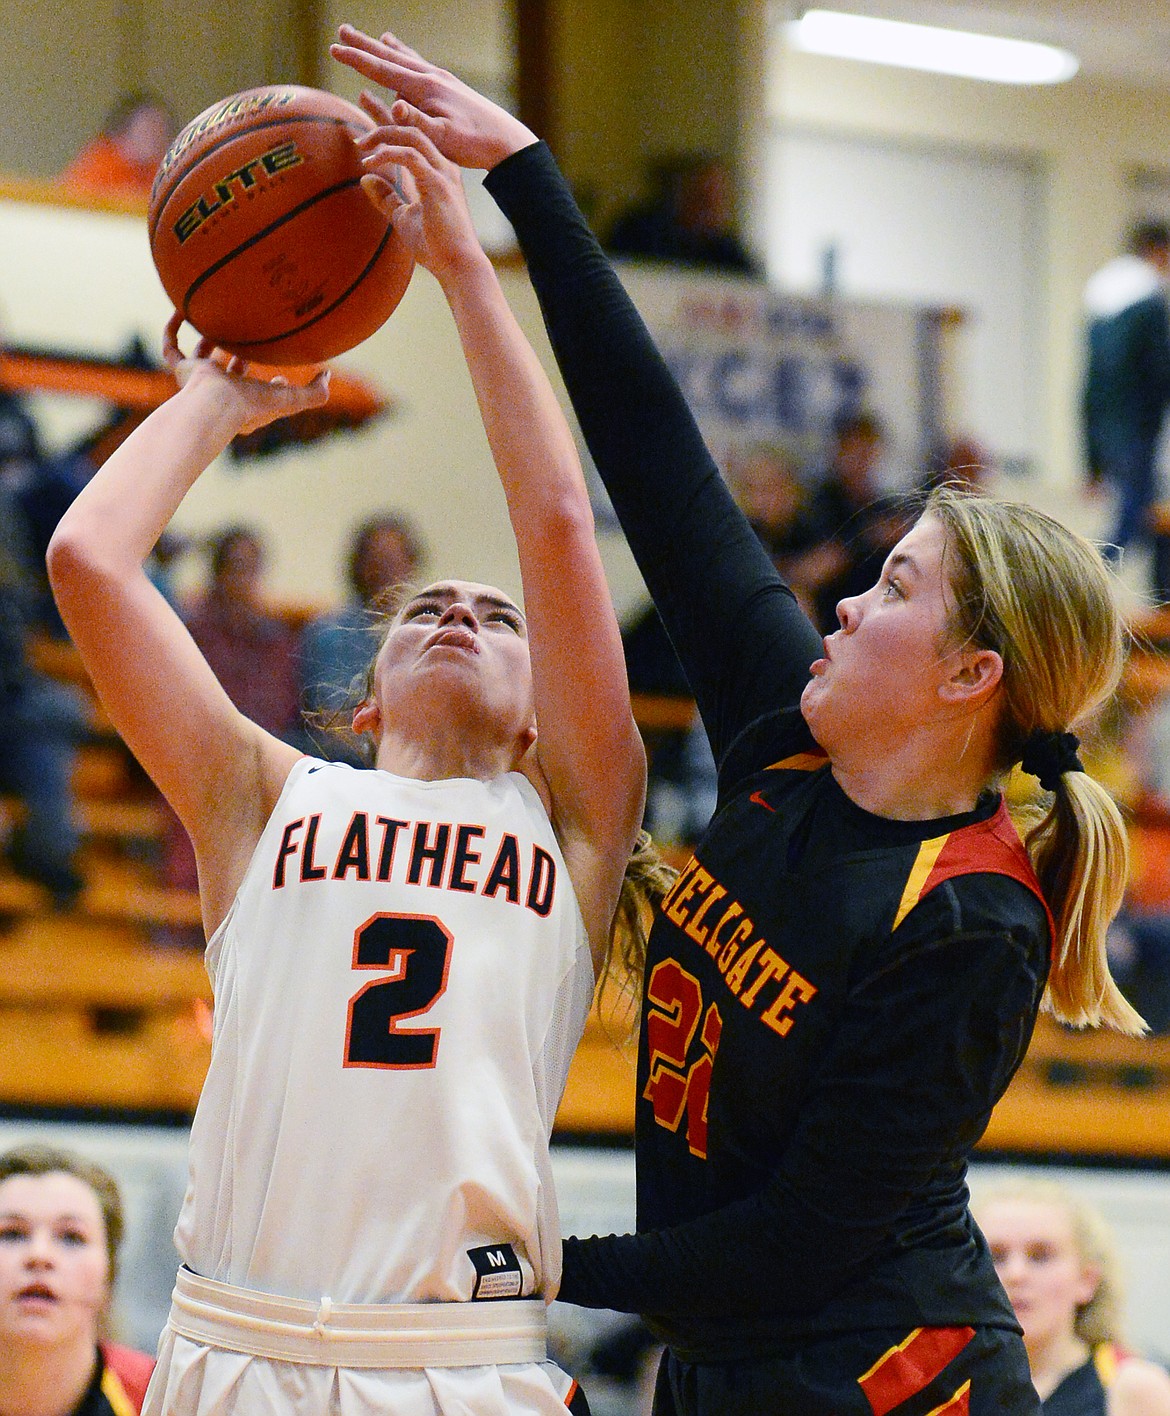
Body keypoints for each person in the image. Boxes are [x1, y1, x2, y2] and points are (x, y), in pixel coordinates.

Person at [330, 27, 1147, 1415]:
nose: (837, 607)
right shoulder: (789, 734)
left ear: (967, 678)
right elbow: (658, 463)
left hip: (885, 1383)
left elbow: (796, 1246)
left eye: (891, 590)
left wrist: (531, 1264)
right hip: (732, 1365)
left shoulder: (967, 925)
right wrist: (523, 181)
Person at [46, 95, 647, 1415]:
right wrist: (211, 398)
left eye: (494, 620)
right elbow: (88, 562)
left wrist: (461, 269)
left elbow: (552, 517)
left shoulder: (572, 823)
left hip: (454, 1363)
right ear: (359, 703)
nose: (454, 609)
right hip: (232, 1344)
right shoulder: (262, 797)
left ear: (541, 715)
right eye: (426, 608)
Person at [975, 1180, 1170, 1414]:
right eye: (995, 1257)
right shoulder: (945, 1383)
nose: (1016, 1275)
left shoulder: (1131, 1387)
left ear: (1086, 1280)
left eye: (1040, 1257)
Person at [0, 1142, 155, 1415]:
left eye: (71, 1237)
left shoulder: (163, 1397)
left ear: (109, 1276)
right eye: (12, 1233)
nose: (39, 1255)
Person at [1082, 220, 1170, 601]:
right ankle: (1076, 581)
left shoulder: (1102, 305)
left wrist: (1092, 460)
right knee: (1136, 522)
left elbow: (1088, 387)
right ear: (1158, 251)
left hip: (1109, 433)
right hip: (1140, 431)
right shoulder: (1148, 301)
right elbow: (1160, 372)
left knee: (1144, 521)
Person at [299, 512, 426, 760]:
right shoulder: (329, 632)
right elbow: (330, 720)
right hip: (350, 758)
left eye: (394, 561)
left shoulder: (424, 634)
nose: (386, 571)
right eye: (377, 561)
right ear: (359, 566)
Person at [607, 153, 759, 275]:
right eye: (703, 198)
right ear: (681, 195)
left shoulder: (729, 254)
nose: (714, 208)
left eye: (721, 198)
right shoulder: (637, 234)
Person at [58, 92, 177, 200]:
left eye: (163, 129)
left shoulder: (162, 172)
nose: (157, 136)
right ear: (124, 130)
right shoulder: (100, 164)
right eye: (149, 127)